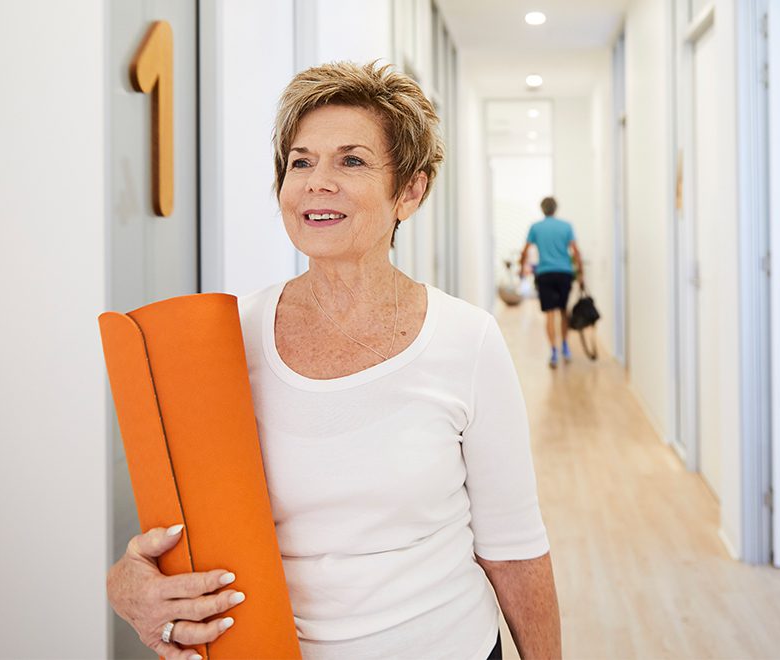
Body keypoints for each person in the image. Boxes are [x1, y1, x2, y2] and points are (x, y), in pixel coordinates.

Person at [106, 61, 561, 660]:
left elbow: (514, 549)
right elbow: (182, 527)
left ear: (411, 191)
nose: (317, 182)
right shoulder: (225, 338)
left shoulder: (466, 340)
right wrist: (128, 584)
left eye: (351, 160)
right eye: (300, 161)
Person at [519, 198, 583, 369]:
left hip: (545, 273)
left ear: (542, 209)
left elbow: (525, 251)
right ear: (556, 209)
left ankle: (553, 352)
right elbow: (576, 252)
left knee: (549, 314)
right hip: (564, 273)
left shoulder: (536, 227)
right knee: (563, 311)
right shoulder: (566, 226)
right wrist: (581, 274)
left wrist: (521, 269)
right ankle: (565, 347)